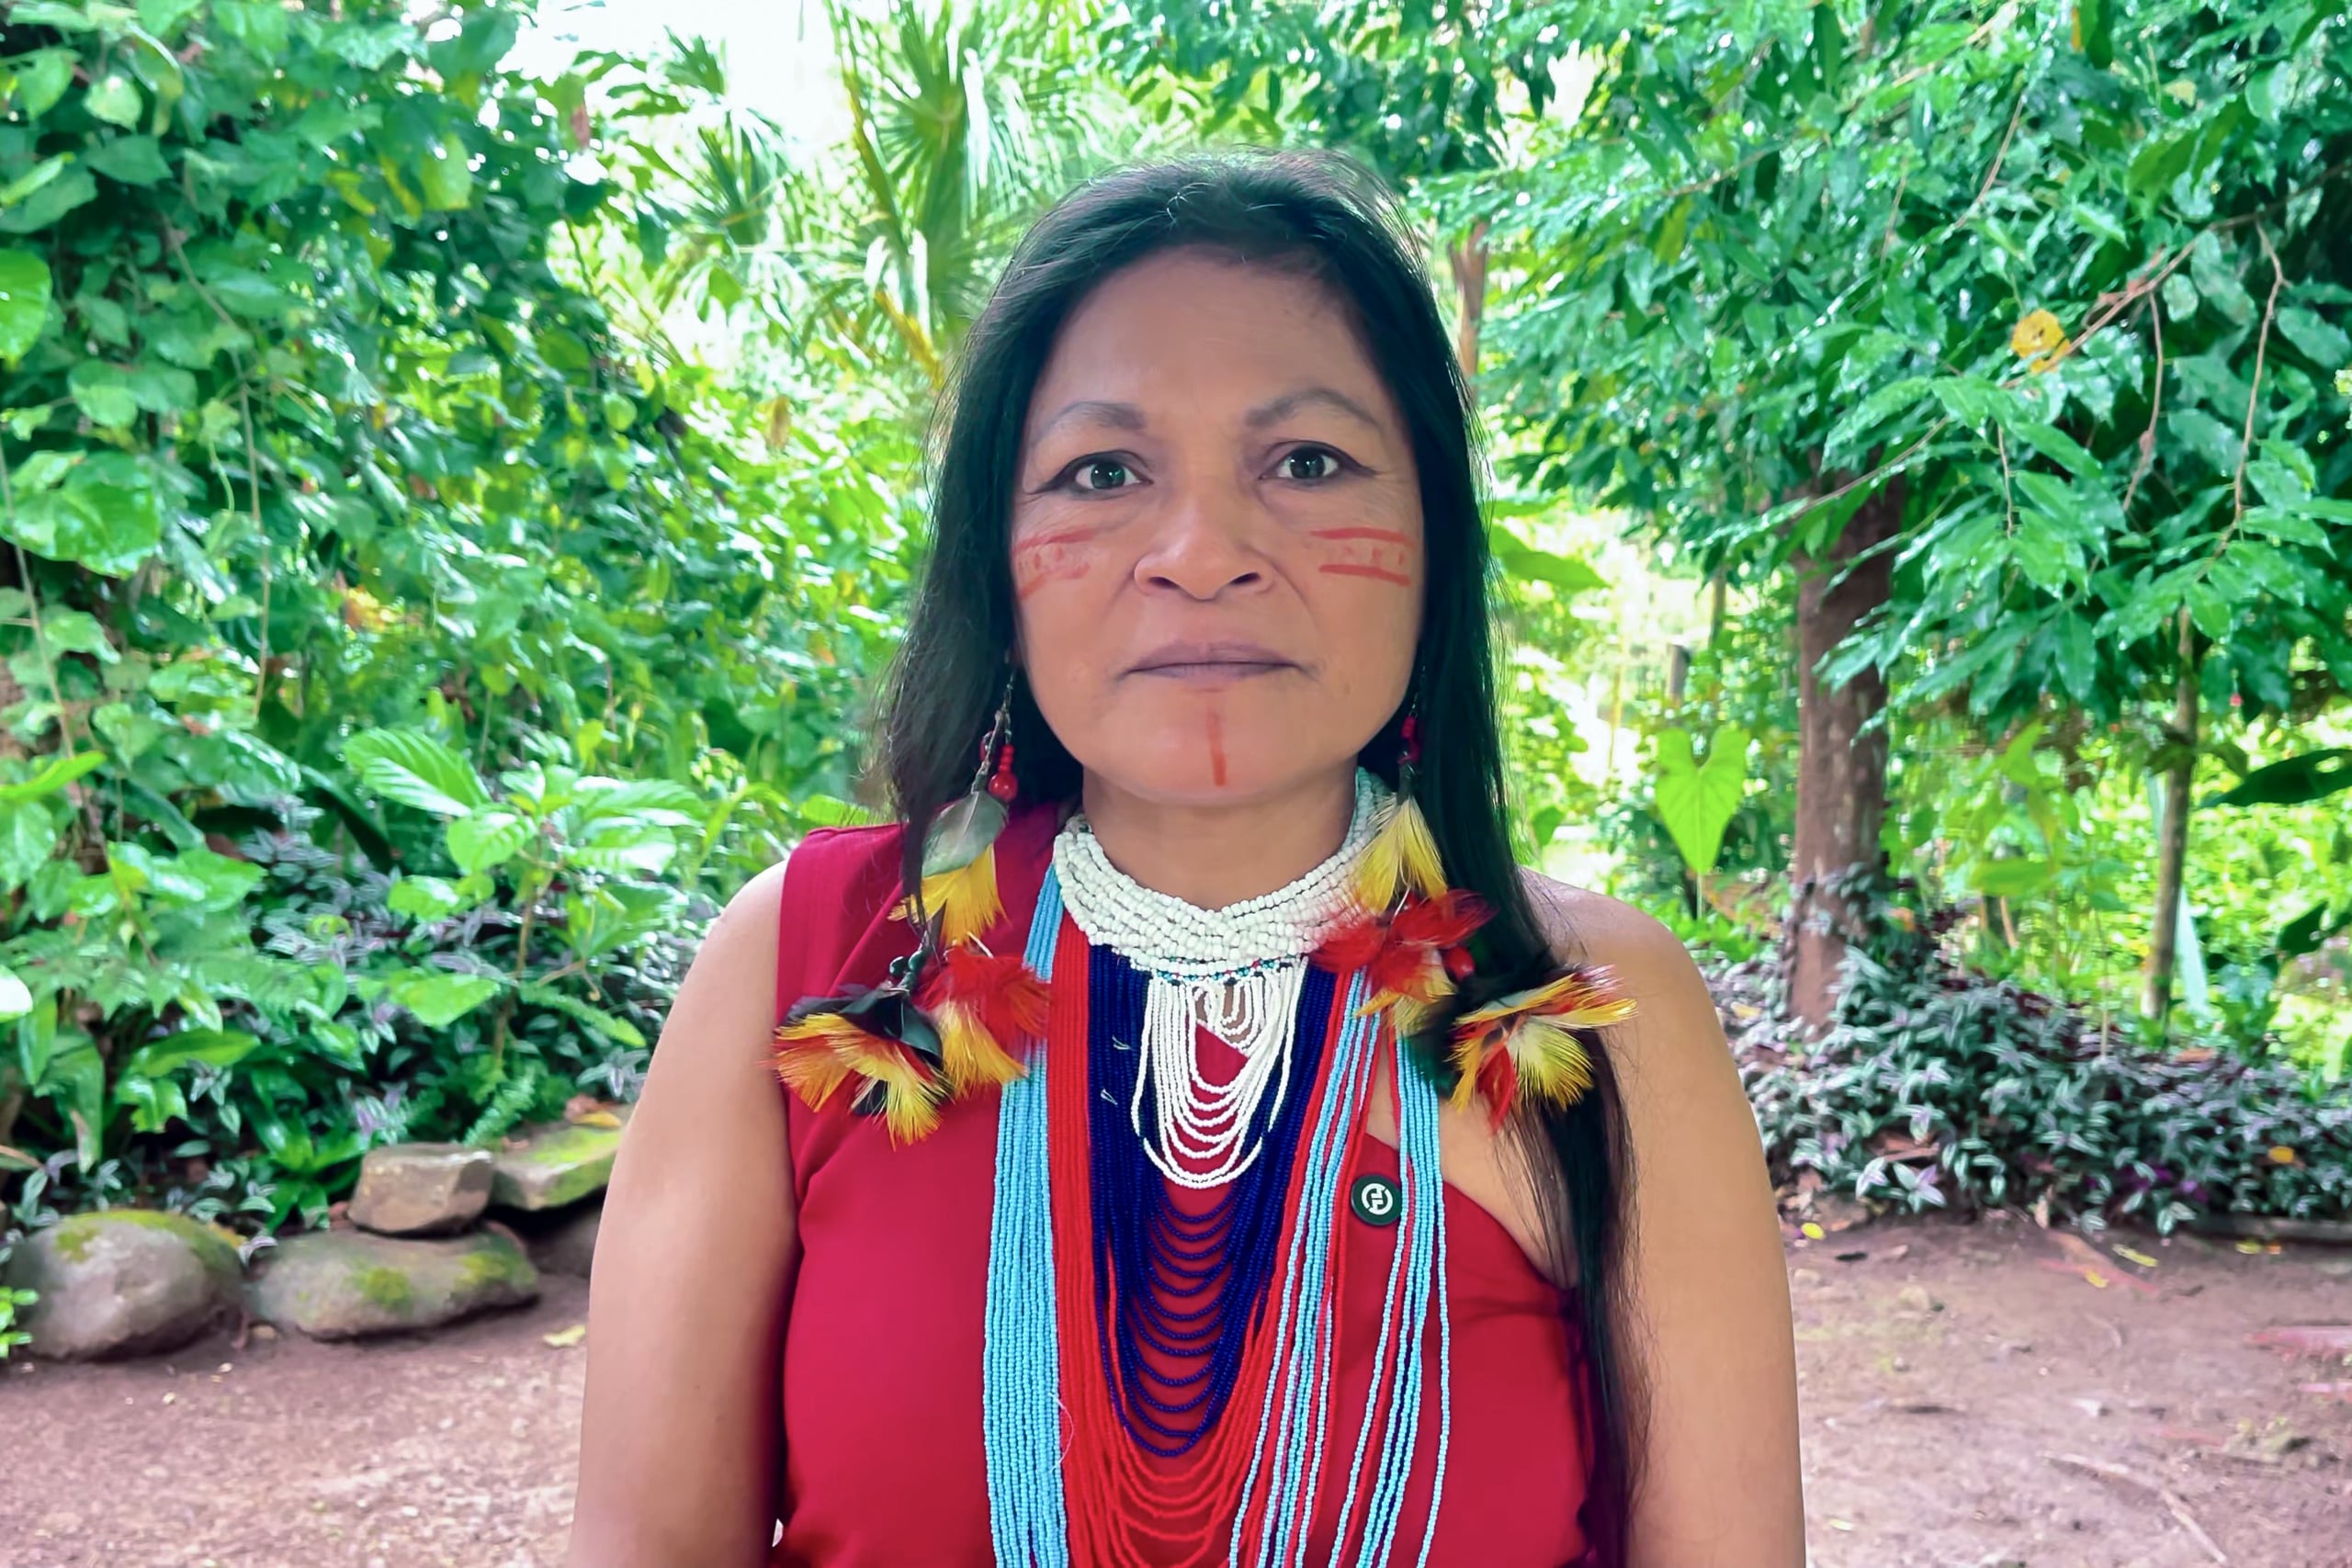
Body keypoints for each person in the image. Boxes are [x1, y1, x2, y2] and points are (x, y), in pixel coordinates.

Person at [565, 151, 1802, 1568]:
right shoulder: (814, 954)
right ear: (998, 558)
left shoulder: (1588, 1005)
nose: (1203, 551)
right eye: (1103, 471)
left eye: (1308, 462)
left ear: (1434, 541)